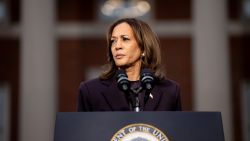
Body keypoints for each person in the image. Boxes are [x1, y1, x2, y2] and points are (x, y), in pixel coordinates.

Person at [77, 18, 181, 111]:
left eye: (125, 39)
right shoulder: (90, 91)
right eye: (113, 41)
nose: (117, 46)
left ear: (143, 48)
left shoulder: (170, 91)